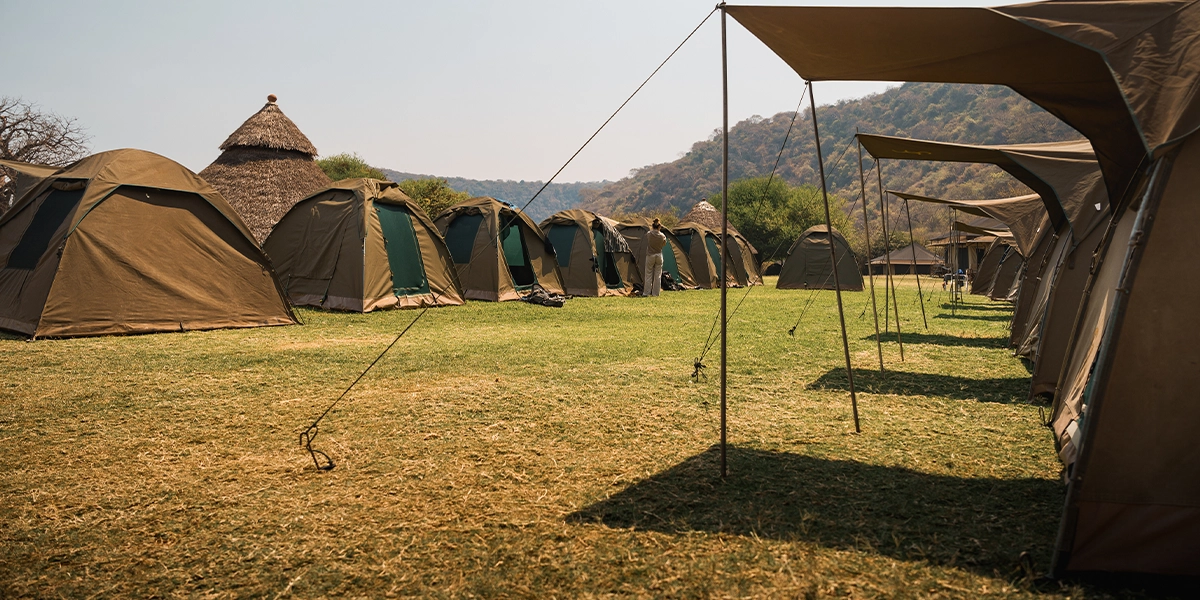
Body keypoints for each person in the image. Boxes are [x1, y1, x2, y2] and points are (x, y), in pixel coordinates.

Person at [644, 219, 667, 297]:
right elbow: (664, 244)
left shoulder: (649, 234)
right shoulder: (662, 236)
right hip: (659, 255)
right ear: (659, 227)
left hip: (650, 255)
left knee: (648, 274)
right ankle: (656, 293)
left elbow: (647, 239)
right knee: (658, 275)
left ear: (652, 226)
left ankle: (646, 292)